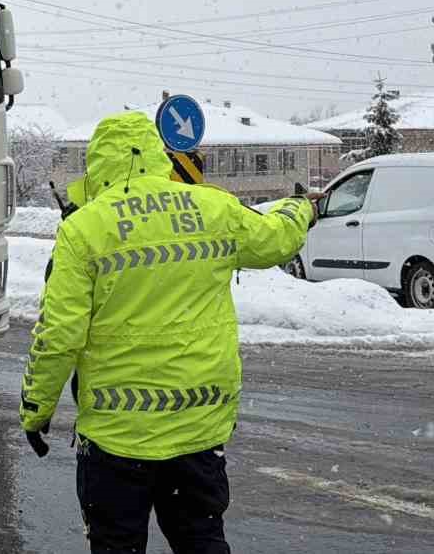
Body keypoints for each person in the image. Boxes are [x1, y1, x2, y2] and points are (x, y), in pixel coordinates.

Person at [20, 112, 316, 554]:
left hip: (117, 437)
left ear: (97, 162)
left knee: (116, 545)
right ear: (160, 154)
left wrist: (36, 410)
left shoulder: (83, 230)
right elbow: (275, 240)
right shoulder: (212, 207)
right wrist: (299, 208)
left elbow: (59, 335)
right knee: (201, 539)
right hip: (198, 427)